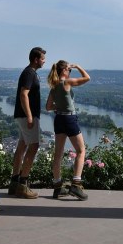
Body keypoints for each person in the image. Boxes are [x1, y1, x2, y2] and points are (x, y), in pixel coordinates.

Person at [46, 60, 90, 200]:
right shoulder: (67, 82)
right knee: (81, 151)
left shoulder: (54, 86)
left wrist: (58, 106)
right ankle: (76, 185)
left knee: (58, 154)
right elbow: (87, 78)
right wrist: (77, 66)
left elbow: (48, 107)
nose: (70, 72)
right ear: (64, 70)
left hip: (58, 119)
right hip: (70, 120)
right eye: (69, 70)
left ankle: (58, 187)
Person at [8, 46, 46, 199]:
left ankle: (14, 183)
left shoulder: (30, 72)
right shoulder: (29, 73)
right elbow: (24, 94)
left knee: (22, 146)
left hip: (23, 115)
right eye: (43, 58)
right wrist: (30, 116)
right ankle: (23, 184)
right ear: (36, 59)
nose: (44, 61)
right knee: (34, 146)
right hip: (27, 116)